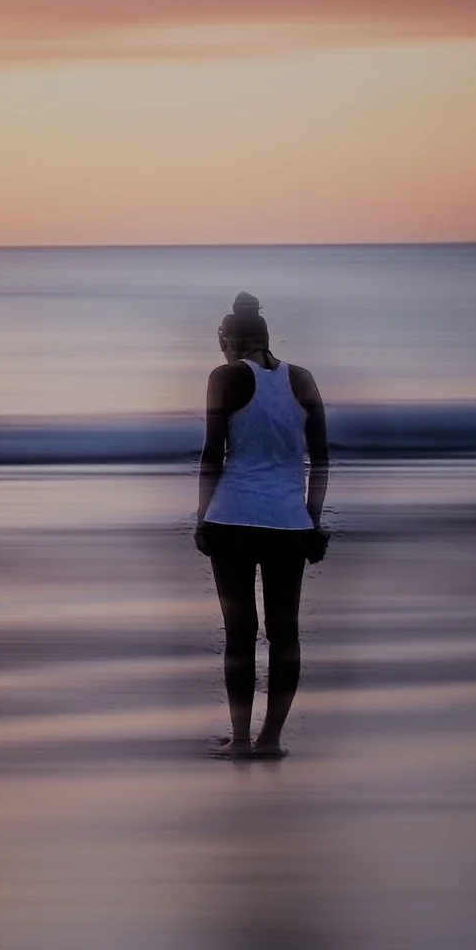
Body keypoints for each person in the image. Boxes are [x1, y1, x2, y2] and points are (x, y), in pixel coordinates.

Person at [194, 293, 329, 758]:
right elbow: (322, 459)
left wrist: (199, 518)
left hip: (232, 517)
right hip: (289, 523)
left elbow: (213, 454)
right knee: (284, 632)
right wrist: (313, 521)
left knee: (239, 632)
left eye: (221, 343)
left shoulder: (225, 378)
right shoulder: (303, 379)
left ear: (230, 340)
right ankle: (270, 740)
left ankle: (239, 739)